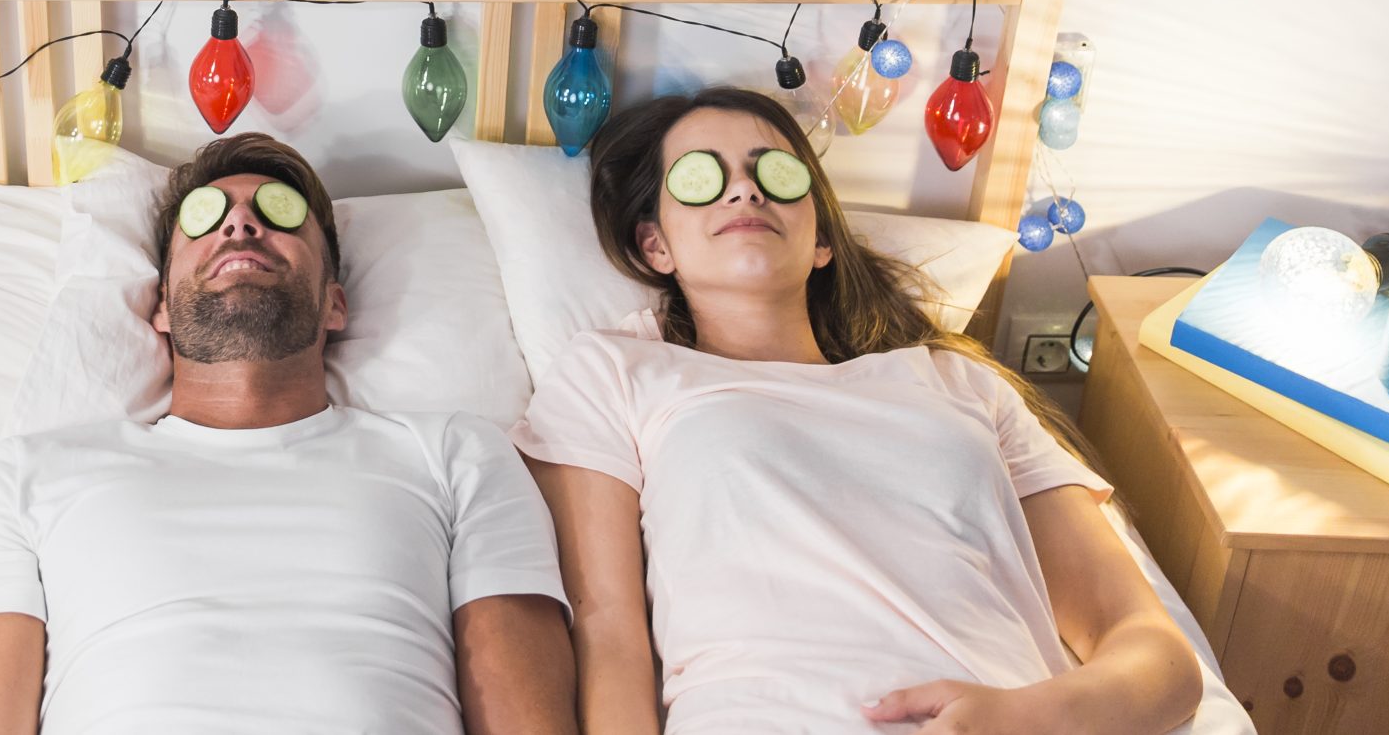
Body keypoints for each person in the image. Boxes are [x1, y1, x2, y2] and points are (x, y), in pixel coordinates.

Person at [513, 86, 1204, 735]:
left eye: (774, 172)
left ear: (820, 241)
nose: (745, 187)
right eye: (703, 177)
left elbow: (1157, 657)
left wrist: (1018, 716)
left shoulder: (958, 383)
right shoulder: (617, 371)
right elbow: (608, 631)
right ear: (655, 245)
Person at [0, 132, 575, 735]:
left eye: (279, 211)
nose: (240, 221)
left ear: (335, 302)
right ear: (162, 306)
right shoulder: (22, 477)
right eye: (206, 216)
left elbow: (527, 717)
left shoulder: (456, 455)